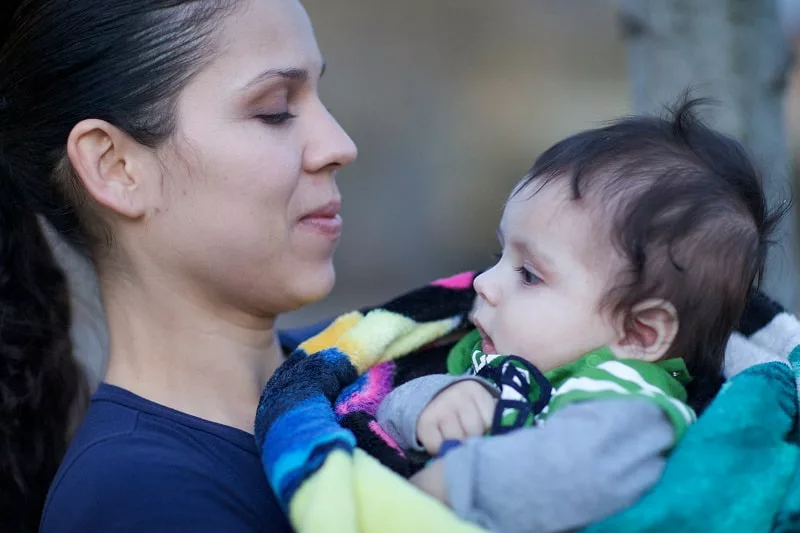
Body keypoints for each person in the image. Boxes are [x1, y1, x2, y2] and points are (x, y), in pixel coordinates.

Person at [0, 0, 356, 531]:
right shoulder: (138, 499)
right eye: (276, 108)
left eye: (318, 96)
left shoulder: (371, 367)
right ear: (115, 167)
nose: (339, 146)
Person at [375, 101, 781, 533]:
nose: (483, 284)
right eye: (499, 255)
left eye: (529, 275)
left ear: (638, 333)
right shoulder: (497, 353)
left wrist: (449, 486)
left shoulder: (627, 398)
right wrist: (433, 401)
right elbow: (384, 398)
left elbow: (573, 474)